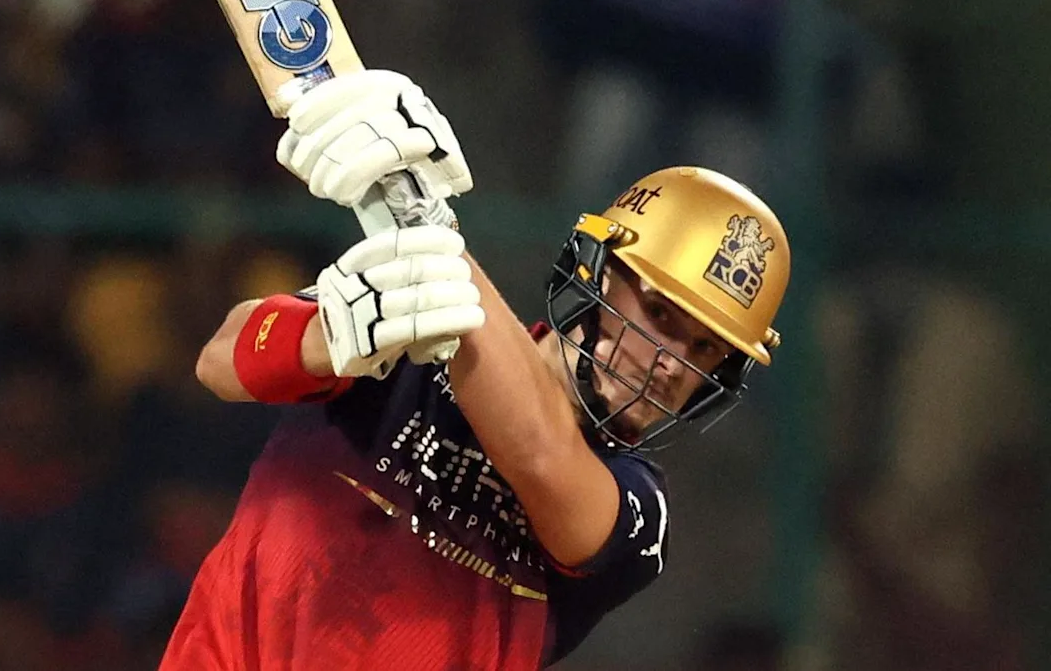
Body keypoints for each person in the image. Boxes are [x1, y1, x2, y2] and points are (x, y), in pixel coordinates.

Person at [158, 70, 791, 670]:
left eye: (706, 350)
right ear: (596, 274)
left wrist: (426, 224)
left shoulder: (639, 509)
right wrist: (325, 339)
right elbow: (220, 361)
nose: (671, 363)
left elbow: (539, 451)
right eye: (658, 313)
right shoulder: (410, 330)